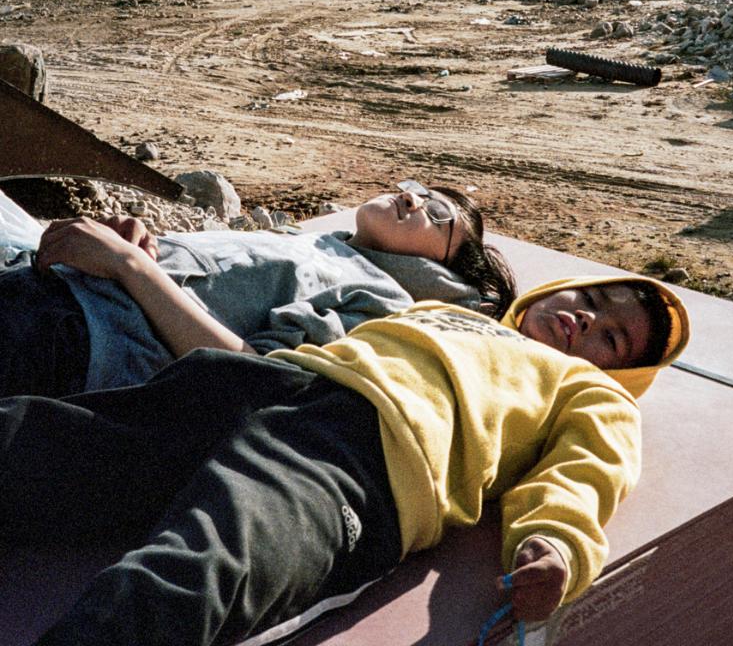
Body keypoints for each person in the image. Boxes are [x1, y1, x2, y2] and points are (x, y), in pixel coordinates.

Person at [0, 272, 690, 646]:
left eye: (612, 338)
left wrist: (557, 545)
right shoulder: (456, 316)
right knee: (31, 443)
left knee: (193, 578)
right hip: (264, 385)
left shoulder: (589, 390)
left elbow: (587, 473)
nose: (586, 321)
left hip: (363, 463)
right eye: (591, 299)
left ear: (621, 374)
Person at [0, 180, 515, 398]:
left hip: (73, 331)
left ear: (445, 272)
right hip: (53, 279)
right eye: (418, 188)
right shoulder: (324, 246)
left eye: (437, 214)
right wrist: (133, 239)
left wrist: (133, 267)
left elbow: (253, 375)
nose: (411, 197)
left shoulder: (380, 300)